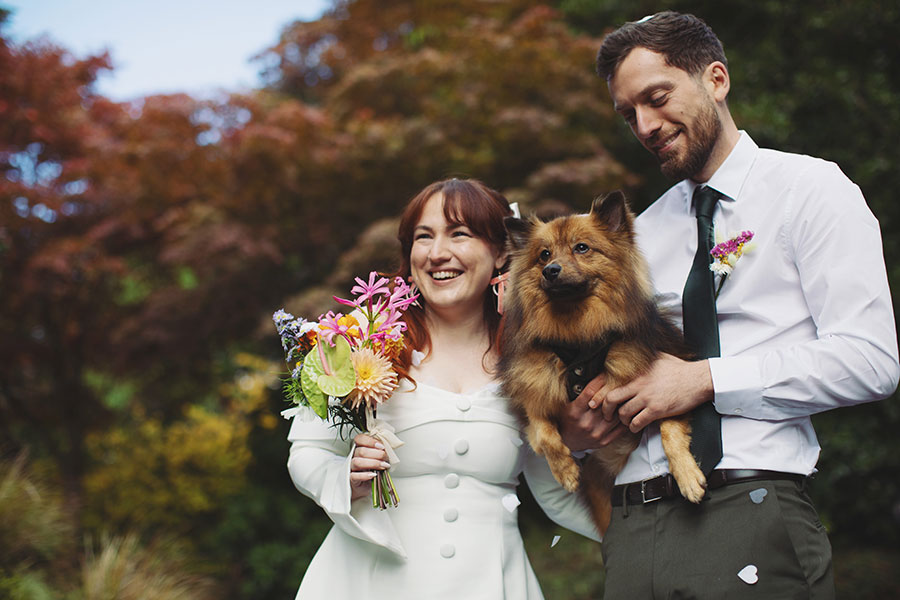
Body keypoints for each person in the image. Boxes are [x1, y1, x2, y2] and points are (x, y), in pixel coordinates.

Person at [561, 11, 899, 599]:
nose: (644, 125)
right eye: (627, 114)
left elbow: (870, 360)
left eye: (656, 97)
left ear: (716, 79)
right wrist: (578, 426)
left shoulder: (812, 190)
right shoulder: (640, 234)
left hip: (752, 508)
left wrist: (706, 381)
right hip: (631, 524)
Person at [285, 178, 601, 600]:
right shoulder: (361, 338)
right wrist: (347, 478)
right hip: (366, 583)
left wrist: (649, 533)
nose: (437, 254)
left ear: (502, 252)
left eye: (459, 234)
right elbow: (307, 451)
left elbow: (556, 491)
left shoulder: (536, 363)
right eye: (423, 237)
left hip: (491, 584)